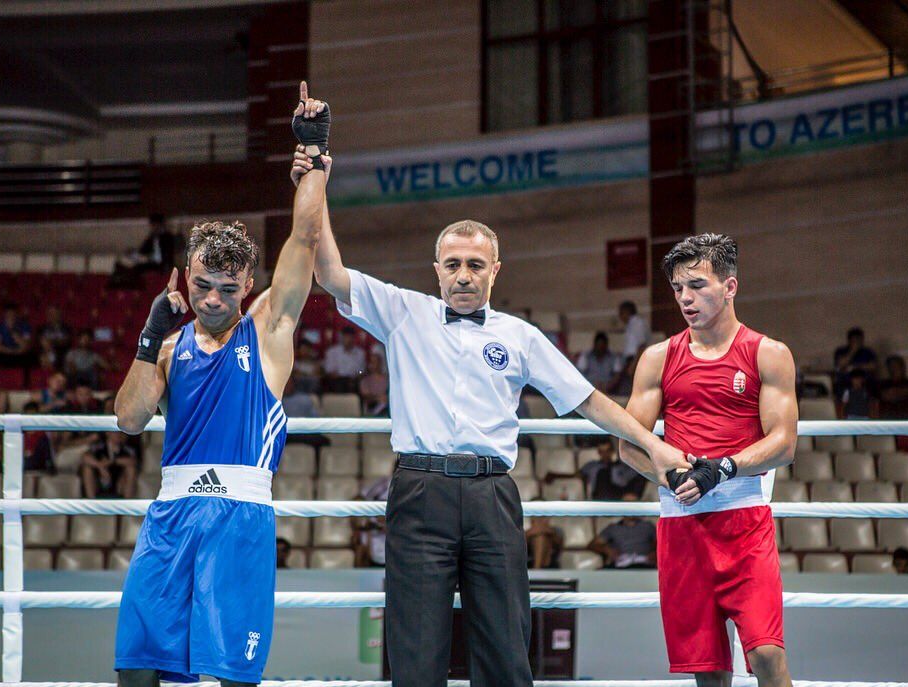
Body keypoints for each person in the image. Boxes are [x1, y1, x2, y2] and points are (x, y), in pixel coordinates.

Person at [294, 125, 688, 687]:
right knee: (416, 652)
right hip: (420, 491)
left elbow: (589, 400)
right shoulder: (403, 311)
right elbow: (328, 272)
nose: (462, 275)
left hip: (491, 497)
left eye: (475, 265)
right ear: (436, 270)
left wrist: (655, 445)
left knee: (506, 650)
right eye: (452, 263)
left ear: (495, 271)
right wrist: (316, 177)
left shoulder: (521, 336)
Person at [112, 81, 327, 686]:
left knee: (231, 677)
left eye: (228, 289)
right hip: (170, 514)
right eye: (203, 284)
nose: (212, 299)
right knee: (139, 671)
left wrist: (313, 156)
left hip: (239, 517)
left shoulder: (267, 331)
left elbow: (305, 241)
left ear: (249, 284)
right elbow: (128, 420)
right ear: (186, 275)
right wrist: (148, 338)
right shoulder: (171, 345)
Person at [620, 233, 798, 687]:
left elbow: (784, 443)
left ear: (730, 286)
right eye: (678, 288)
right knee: (707, 671)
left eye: (697, 285)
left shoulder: (768, 354)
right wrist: (672, 471)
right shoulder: (658, 358)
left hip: (743, 523)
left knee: (766, 656)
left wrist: (723, 467)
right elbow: (629, 444)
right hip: (682, 525)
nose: (685, 298)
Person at [588, 494, 656, 569]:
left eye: (634, 505)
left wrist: (655, 553)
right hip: (620, 565)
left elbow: (662, 543)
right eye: (628, 504)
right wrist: (607, 550)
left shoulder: (648, 526)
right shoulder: (613, 528)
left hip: (644, 565)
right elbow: (593, 545)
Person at [577, 438, 646, 500]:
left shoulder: (619, 466)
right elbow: (577, 475)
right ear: (598, 452)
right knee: (602, 473)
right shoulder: (592, 465)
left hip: (619, 495)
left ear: (612, 451)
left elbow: (625, 481)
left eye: (607, 451)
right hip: (599, 496)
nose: (605, 454)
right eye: (602, 451)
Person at [80, 431, 138, 499]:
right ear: (108, 433)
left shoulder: (126, 448)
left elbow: (133, 461)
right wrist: (100, 466)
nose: (118, 434)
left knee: (131, 469)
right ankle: (91, 502)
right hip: (99, 481)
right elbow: (85, 457)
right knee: (87, 468)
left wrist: (113, 461)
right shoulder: (99, 446)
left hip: (118, 484)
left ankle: (126, 503)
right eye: (115, 432)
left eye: (120, 432)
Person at [833, 327, 877, 395]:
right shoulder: (841, 351)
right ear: (849, 340)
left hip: (864, 381)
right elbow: (840, 365)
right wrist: (853, 351)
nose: (857, 342)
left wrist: (855, 367)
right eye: (854, 340)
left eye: (859, 340)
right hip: (846, 381)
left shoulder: (868, 352)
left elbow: (873, 366)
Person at [322, 326, 366, 392]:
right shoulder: (332, 351)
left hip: (353, 381)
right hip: (337, 381)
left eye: (351, 337)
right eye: (346, 337)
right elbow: (329, 370)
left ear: (354, 338)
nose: (349, 339)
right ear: (342, 337)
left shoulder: (360, 353)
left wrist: (358, 375)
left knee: (356, 384)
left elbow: (361, 371)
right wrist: (335, 375)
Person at [359, 352, 389, 416]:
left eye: (377, 362)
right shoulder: (365, 381)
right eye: (372, 362)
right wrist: (378, 398)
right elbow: (366, 398)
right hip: (372, 409)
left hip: (387, 407)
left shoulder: (387, 379)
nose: (375, 364)